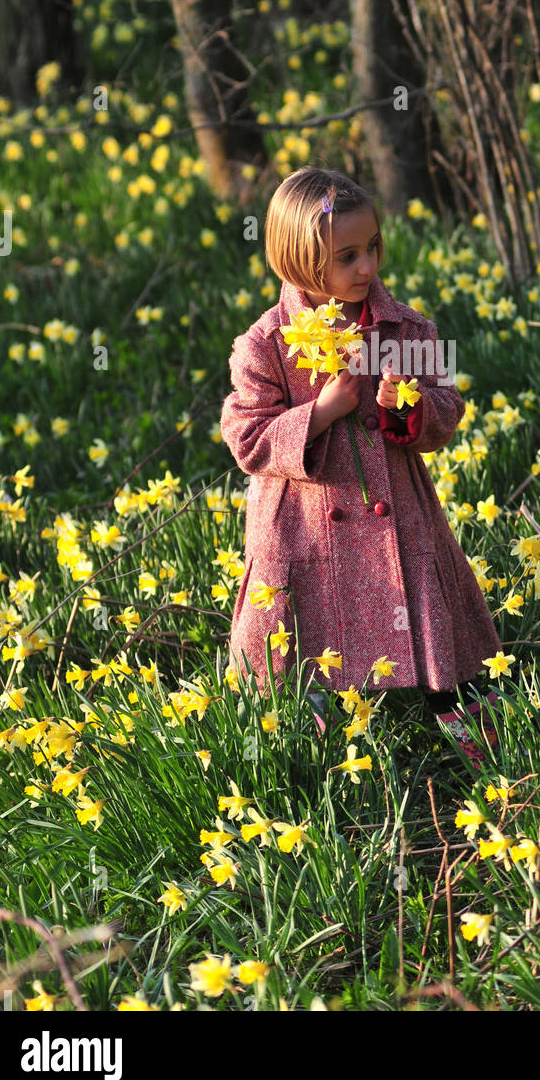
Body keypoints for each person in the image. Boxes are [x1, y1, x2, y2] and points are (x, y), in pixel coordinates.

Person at [219, 166, 503, 769]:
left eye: (373, 247)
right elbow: (246, 438)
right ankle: (317, 771)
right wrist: (318, 413)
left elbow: (447, 408)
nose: (368, 267)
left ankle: (485, 755)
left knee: (437, 640)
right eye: (347, 256)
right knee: (306, 653)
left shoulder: (405, 328)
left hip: (399, 516)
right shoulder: (266, 344)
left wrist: (412, 406)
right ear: (297, 262)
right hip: (304, 528)